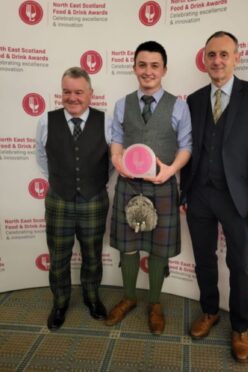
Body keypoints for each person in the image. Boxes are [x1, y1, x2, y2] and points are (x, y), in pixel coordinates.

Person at [180, 31, 248, 361]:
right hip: (199, 195)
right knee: (204, 258)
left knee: (239, 264)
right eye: (211, 55)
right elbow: (187, 150)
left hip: (239, 198)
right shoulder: (192, 100)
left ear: (237, 57)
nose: (217, 61)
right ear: (204, 60)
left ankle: (240, 327)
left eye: (223, 54)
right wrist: (184, 194)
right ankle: (210, 311)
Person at [106, 41, 192, 335]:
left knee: (159, 250)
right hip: (128, 185)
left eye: (155, 65)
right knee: (128, 250)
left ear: (164, 70)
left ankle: (154, 303)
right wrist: (117, 159)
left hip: (163, 186)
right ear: (134, 68)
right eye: (142, 65)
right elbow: (116, 137)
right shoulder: (122, 104)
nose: (148, 71)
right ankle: (129, 297)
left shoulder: (179, 106)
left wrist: (171, 169)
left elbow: (186, 146)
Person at [36, 67, 110, 330]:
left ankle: (92, 297)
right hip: (59, 200)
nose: (73, 97)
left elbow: (111, 161)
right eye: (67, 92)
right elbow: (42, 158)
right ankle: (60, 303)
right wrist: (60, 180)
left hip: (94, 200)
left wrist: (93, 181)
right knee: (58, 257)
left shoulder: (107, 121)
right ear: (61, 93)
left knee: (92, 254)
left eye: (79, 92)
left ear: (90, 94)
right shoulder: (46, 121)